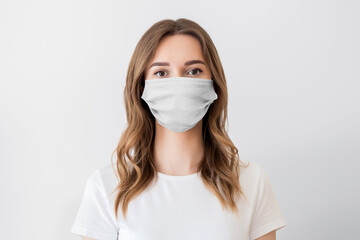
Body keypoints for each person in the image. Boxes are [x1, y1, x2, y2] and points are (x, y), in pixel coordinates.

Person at [70, 18, 287, 240]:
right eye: (161, 73)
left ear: (214, 83)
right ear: (141, 87)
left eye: (193, 71)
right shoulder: (107, 187)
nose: (179, 83)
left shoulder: (251, 182)